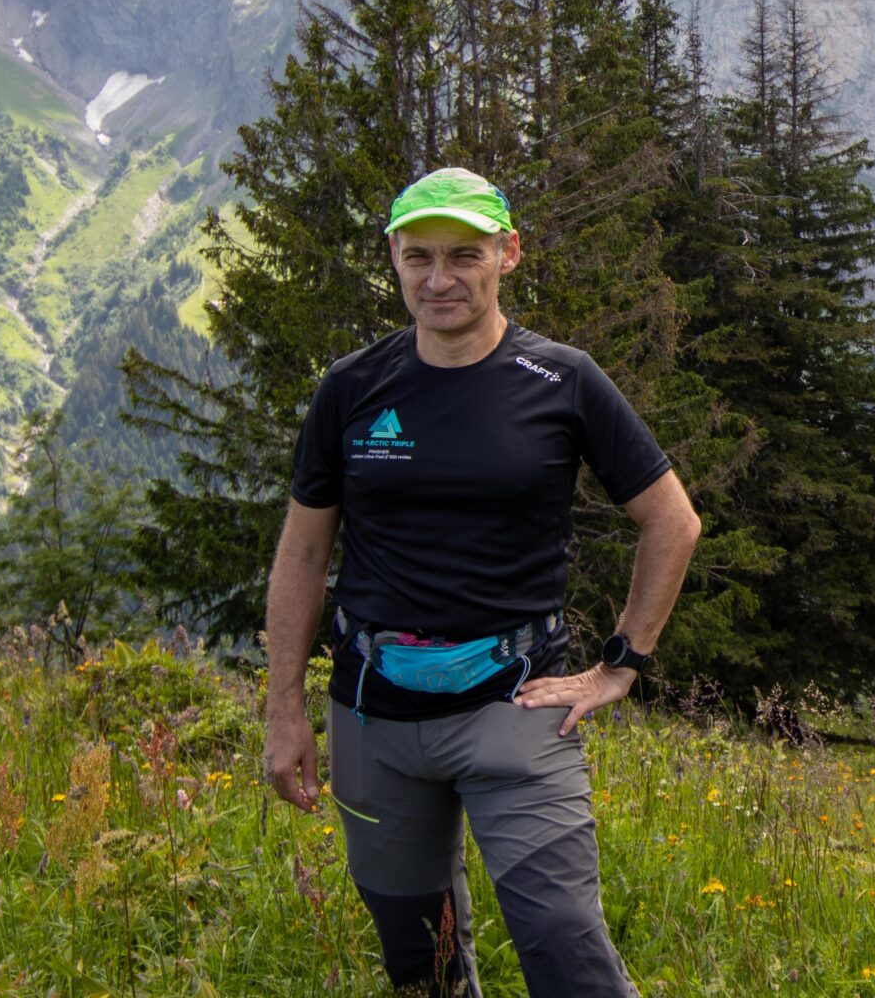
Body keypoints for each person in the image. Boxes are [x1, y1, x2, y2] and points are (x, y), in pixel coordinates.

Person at [262, 166, 702, 997]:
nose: (439, 279)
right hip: (372, 713)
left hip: (515, 705)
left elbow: (672, 521)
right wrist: (285, 709)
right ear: (394, 258)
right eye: (418, 256)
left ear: (509, 254)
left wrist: (620, 665)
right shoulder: (351, 388)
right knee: (419, 967)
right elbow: (303, 555)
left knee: (566, 951)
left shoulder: (564, 380)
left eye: (464, 255)